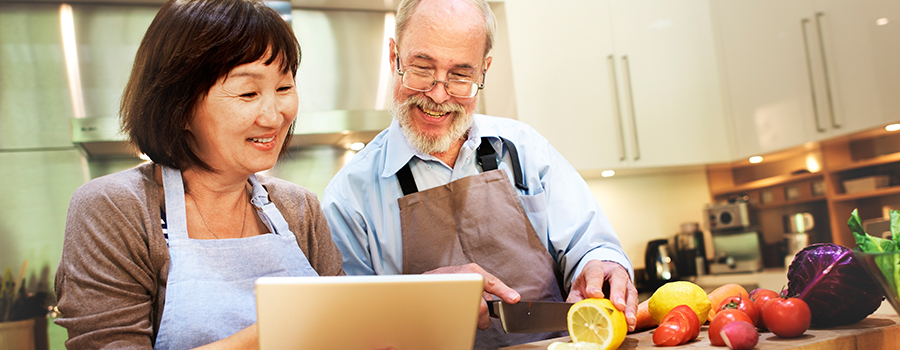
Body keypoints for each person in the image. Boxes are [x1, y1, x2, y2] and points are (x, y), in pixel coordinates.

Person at [321, 0, 637, 348]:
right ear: (394, 56)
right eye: (422, 69)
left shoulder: (523, 148)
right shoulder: (348, 197)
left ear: (483, 70)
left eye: (460, 75)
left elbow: (589, 244)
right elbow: (348, 329)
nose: (438, 95)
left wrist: (601, 265)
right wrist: (415, 300)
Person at [53, 0, 344, 348]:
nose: (273, 116)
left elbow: (343, 331)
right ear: (180, 107)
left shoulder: (299, 209)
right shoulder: (115, 210)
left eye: (283, 88)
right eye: (248, 92)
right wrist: (275, 331)